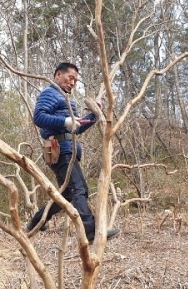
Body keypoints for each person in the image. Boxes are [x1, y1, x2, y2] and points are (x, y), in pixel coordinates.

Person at [26, 62, 119, 244]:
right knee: (79, 189)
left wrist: (94, 114)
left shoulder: (68, 100)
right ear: (58, 75)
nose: (72, 83)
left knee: (67, 195)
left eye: (75, 80)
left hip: (68, 149)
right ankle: (91, 232)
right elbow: (38, 117)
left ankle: (37, 221)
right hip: (59, 150)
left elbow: (77, 129)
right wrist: (66, 121)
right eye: (70, 78)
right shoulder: (50, 93)